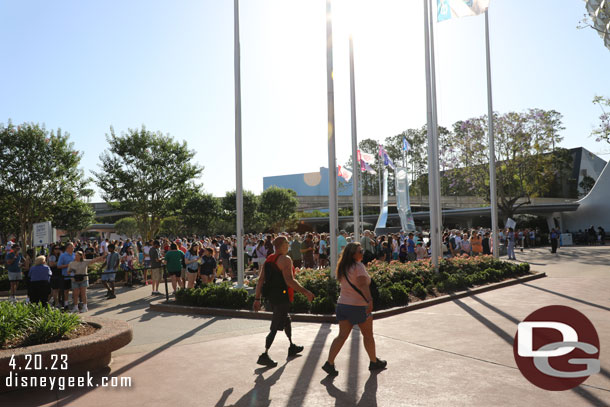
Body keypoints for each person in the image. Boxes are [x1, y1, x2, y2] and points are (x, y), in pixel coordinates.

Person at [321, 242, 387, 376]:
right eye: (360, 251)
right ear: (353, 254)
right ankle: (374, 362)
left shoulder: (343, 267)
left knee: (341, 336)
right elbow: (363, 284)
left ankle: (329, 362)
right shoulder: (358, 266)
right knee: (368, 336)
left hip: (343, 305)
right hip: (358, 306)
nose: (362, 253)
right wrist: (370, 300)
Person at [253, 236, 315, 367]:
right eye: (287, 244)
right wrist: (306, 292)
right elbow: (289, 281)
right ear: (281, 245)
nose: (288, 246)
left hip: (272, 296)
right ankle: (264, 354)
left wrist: (257, 298)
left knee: (286, 320)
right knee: (275, 326)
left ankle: (292, 346)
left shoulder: (269, 259)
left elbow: (260, 280)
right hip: (282, 296)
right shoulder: (286, 259)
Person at [57, 243, 76, 309]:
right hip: (66, 275)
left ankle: (75, 303)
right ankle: (66, 304)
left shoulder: (75, 255)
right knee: (66, 291)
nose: (73, 247)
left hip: (74, 275)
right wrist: (68, 265)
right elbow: (58, 266)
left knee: (75, 290)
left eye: (73, 246)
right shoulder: (63, 256)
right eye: (71, 246)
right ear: (67, 248)